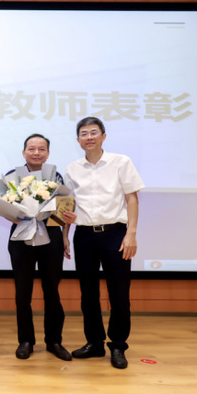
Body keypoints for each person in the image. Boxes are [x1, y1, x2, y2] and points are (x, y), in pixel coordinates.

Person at [63, 116, 144, 369]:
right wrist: (65, 234)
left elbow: (132, 199)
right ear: (78, 140)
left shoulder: (121, 162)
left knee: (119, 293)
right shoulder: (72, 169)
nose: (89, 137)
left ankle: (118, 345)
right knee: (88, 294)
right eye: (84, 133)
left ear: (103, 136)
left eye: (94, 132)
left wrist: (131, 234)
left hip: (115, 234)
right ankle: (95, 343)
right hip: (84, 235)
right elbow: (68, 206)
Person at [4, 134, 71, 361]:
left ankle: (54, 341)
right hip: (21, 235)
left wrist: (65, 236)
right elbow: (5, 208)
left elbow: (63, 209)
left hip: (51, 233)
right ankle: (26, 341)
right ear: (24, 152)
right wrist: (21, 217)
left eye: (41, 149)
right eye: (31, 149)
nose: (36, 153)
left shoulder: (56, 176)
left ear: (48, 153)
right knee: (23, 292)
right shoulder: (12, 177)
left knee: (52, 291)